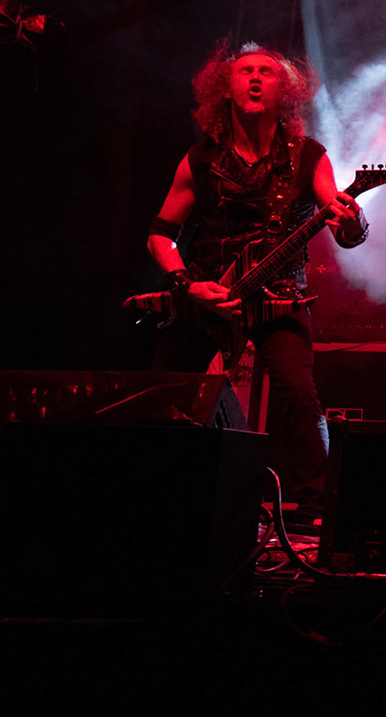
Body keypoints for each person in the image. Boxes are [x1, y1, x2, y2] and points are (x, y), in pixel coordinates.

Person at [146, 41, 368, 528]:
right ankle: (156, 504)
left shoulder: (308, 156)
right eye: (244, 70)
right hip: (208, 294)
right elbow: (160, 235)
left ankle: (317, 515)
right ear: (225, 88)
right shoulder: (200, 159)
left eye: (266, 72)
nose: (254, 77)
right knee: (166, 392)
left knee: (299, 395)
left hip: (278, 294)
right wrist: (186, 284)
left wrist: (353, 222)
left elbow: (343, 228)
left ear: (283, 91)